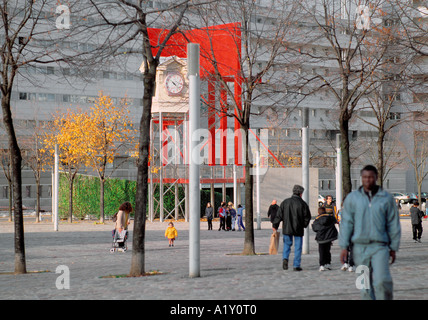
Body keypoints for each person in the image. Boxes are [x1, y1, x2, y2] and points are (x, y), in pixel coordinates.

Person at [339, 165, 401, 300]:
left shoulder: (386, 198)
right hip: (359, 248)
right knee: (364, 284)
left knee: (382, 281)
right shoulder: (352, 198)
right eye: (365, 177)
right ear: (361, 178)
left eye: (371, 177)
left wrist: (393, 247)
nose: (368, 180)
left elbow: (393, 223)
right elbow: (346, 223)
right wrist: (344, 246)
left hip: (380, 247)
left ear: (376, 178)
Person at [272, 185, 311, 271]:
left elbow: (279, 215)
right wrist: (304, 225)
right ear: (301, 194)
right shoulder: (303, 204)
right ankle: (296, 265)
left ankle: (285, 258)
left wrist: (275, 225)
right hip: (298, 228)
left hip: (287, 227)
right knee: (298, 246)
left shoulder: (285, 202)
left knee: (287, 244)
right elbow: (307, 217)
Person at [312, 206, 338, 271]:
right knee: (327, 251)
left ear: (318, 212)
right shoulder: (330, 217)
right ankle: (328, 263)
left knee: (321, 252)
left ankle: (322, 265)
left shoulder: (317, 220)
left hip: (321, 238)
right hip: (329, 237)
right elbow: (335, 220)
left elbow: (315, 228)